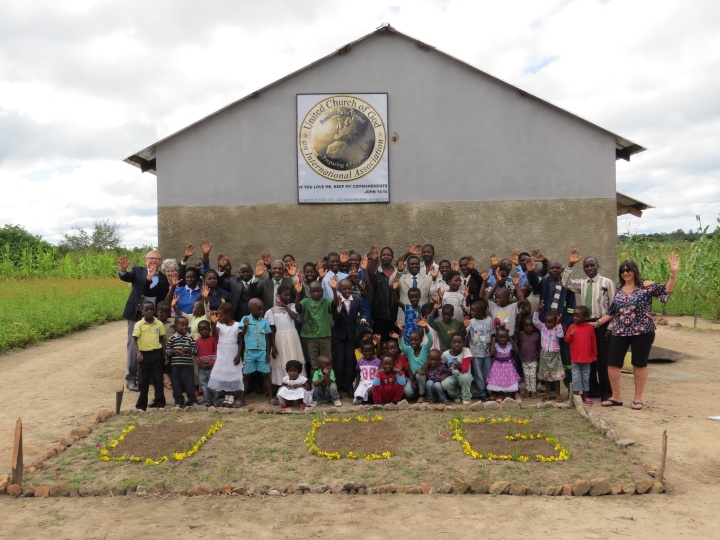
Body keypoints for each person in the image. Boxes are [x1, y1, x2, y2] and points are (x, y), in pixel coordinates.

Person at [592, 255, 679, 410]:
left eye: (628, 270)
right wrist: (597, 323)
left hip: (643, 331)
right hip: (620, 331)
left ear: (635, 271)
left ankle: (637, 399)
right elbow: (612, 311)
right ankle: (616, 397)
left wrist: (673, 273)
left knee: (639, 364)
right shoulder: (618, 289)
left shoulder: (645, 285)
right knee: (612, 363)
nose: (625, 273)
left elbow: (666, 290)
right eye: (622, 271)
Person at [561, 248, 616, 400]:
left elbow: (614, 307)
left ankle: (606, 392)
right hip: (586, 326)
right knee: (588, 360)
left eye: (592, 265)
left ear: (598, 266)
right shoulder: (583, 283)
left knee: (603, 360)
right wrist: (570, 265)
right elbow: (565, 283)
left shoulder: (607, 283)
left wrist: (610, 327)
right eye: (586, 266)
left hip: (603, 324)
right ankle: (592, 390)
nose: (589, 268)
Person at [118, 251, 169, 391]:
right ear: (146, 260)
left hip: (153, 317)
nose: (153, 261)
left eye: (156, 259)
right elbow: (125, 277)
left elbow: (162, 298)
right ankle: (130, 378)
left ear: (160, 261)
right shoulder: (138, 271)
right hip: (137, 314)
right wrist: (123, 270)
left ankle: (146, 377)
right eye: (151, 258)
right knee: (134, 345)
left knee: (151, 345)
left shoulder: (163, 278)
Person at [526, 256, 576, 387]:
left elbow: (571, 308)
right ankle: (549, 388)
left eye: (557, 268)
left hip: (561, 328)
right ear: (548, 269)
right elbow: (533, 282)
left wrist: (565, 325)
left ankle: (569, 386)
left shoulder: (568, 285)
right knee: (546, 357)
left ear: (562, 270)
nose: (554, 270)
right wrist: (531, 272)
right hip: (546, 329)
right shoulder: (544, 282)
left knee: (564, 357)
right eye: (552, 268)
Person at [330, 277, 369, 396]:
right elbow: (336, 318)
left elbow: (364, 312)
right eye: (344, 289)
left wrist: (363, 319)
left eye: (349, 288)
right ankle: (338, 386)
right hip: (339, 336)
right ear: (339, 289)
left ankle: (349, 386)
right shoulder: (336, 300)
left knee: (349, 361)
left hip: (351, 335)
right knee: (339, 361)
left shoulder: (356, 299)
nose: (347, 291)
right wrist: (339, 306)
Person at [266, 284, 304, 396]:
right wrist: (273, 346)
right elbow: (271, 331)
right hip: (279, 339)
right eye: (285, 295)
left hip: (292, 337)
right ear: (278, 295)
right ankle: (281, 385)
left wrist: (284, 305)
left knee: (293, 358)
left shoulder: (292, 306)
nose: (288, 297)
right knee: (281, 361)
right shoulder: (271, 311)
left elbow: (295, 317)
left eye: (289, 295)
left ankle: (297, 385)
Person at [208, 303, 245, 408]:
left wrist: (238, 355)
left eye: (221, 315)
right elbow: (214, 333)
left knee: (231, 374)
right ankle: (226, 398)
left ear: (228, 314)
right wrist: (213, 323)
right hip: (222, 353)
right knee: (223, 374)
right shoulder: (219, 325)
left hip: (232, 352)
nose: (219, 317)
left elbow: (240, 341)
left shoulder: (237, 325)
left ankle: (231, 397)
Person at [132, 301, 167, 410]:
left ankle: (159, 402)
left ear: (155, 311)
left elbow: (162, 339)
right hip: (143, 356)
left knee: (158, 380)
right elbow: (134, 339)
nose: (149, 312)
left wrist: (164, 353)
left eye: (151, 309)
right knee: (143, 381)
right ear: (142, 312)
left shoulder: (159, 324)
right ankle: (141, 405)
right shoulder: (139, 324)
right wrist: (138, 352)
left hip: (156, 355)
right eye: (146, 310)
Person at [240, 298, 274, 405]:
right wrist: (245, 326)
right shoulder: (245, 319)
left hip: (262, 352)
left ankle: (271, 398)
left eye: (262, 309)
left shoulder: (264, 321)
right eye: (259, 309)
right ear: (251, 310)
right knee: (246, 376)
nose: (261, 311)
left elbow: (267, 337)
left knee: (266, 374)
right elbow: (242, 334)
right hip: (249, 352)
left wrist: (268, 352)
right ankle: (242, 399)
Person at [295, 280, 333, 373]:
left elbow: (334, 305)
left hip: (325, 336)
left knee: (327, 361)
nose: (316, 293)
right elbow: (298, 309)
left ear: (322, 290)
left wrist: (334, 290)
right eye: (313, 291)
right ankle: (315, 385)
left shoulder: (326, 300)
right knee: (314, 363)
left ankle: (329, 384)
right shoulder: (306, 301)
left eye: (318, 290)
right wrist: (298, 293)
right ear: (310, 291)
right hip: (311, 337)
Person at [391, 324, 433, 402]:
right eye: (411, 340)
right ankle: (416, 394)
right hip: (412, 377)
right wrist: (400, 332)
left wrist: (426, 328)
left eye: (416, 340)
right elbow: (402, 346)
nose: (413, 342)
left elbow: (430, 340)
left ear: (421, 340)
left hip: (423, 377)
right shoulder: (409, 350)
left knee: (420, 376)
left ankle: (421, 395)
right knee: (407, 392)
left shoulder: (425, 348)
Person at [564, 305, 597, 404]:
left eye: (578, 316)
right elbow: (566, 340)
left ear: (585, 317)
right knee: (575, 378)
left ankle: (586, 396)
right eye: (574, 315)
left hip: (587, 359)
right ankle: (576, 396)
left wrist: (594, 355)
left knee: (586, 378)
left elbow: (593, 343)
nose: (575, 318)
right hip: (575, 359)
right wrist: (571, 334)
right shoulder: (572, 327)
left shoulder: (589, 328)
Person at [533, 303, 565, 402]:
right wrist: (537, 310)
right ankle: (547, 394)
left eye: (551, 322)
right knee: (546, 377)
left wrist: (559, 324)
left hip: (555, 355)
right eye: (547, 322)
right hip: (544, 355)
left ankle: (558, 394)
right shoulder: (542, 327)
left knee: (556, 376)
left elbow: (561, 335)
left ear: (556, 321)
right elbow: (535, 321)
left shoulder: (557, 329)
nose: (548, 324)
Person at [165, 315, 199, 409]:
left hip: (187, 365)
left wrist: (187, 350)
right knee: (176, 385)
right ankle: (179, 402)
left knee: (189, 385)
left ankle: (192, 401)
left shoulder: (190, 338)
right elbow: (167, 351)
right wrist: (175, 351)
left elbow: (195, 350)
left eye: (186, 325)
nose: (184, 327)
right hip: (176, 366)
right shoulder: (172, 338)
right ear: (176, 327)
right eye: (182, 325)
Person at [368, 246, 400, 342]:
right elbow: (371, 277)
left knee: (393, 344)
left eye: (389, 255)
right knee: (379, 343)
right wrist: (373, 261)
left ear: (392, 257)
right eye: (384, 255)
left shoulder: (397, 274)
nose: (386, 257)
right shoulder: (376, 273)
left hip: (394, 316)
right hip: (378, 316)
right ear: (380, 257)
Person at [466, 299, 494, 401]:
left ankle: (488, 391)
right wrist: (464, 325)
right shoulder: (471, 322)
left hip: (487, 353)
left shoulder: (489, 320)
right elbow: (464, 333)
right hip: (475, 353)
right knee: (478, 374)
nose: (471, 313)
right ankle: (481, 393)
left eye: (474, 311)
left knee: (488, 372)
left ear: (481, 312)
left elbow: (492, 334)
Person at [486, 328, 522, 402]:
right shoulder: (496, 345)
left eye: (504, 337)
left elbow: (517, 351)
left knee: (510, 379)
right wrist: (493, 342)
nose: (502, 339)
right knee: (498, 379)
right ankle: (500, 394)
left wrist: (512, 341)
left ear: (507, 337)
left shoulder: (509, 345)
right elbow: (492, 353)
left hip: (508, 366)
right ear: (497, 337)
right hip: (497, 366)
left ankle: (514, 393)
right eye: (500, 337)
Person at [396, 255, 432, 323]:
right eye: (412, 264)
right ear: (407, 266)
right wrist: (399, 271)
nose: (414, 266)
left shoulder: (428, 279)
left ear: (419, 265)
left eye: (416, 264)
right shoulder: (401, 277)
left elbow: (431, 298)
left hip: (422, 318)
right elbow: (390, 283)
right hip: (405, 318)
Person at [217, 257, 253, 321]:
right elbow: (221, 283)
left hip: (254, 317)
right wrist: (222, 269)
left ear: (252, 271)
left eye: (247, 272)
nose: (245, 274)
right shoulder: (233, 281)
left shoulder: (257, 282)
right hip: (237, 317)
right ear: (239, 273)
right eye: (243, 272)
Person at [441, 334, 473, 404]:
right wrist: (446, 374)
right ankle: (457, 395)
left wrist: (460, 367)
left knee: (465, 377)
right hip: (453, 377)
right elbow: (442, 367)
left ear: (464, 343)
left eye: (459, 342)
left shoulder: (466, 351)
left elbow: (465, 370)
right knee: (445, 384)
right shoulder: (445, 354)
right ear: (451, 343)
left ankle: (466, 398)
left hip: (465, 376)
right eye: (454, 342)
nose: (457, 344)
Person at [195, 320, 219, 406]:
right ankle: (206, 401)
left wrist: (212, 362)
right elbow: (195, 354)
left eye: (206, 329)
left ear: (209, 330)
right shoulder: (197, 342)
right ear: (198, 331)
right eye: (202, 329)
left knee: (213, 384)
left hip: (212, 367)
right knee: (204, 385)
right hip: (202, 367)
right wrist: (200, 363)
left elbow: (216, 351)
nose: (204, 331)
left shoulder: (213, 339)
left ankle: (215, 400)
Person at [517, 317, 541, 398]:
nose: (528, 327)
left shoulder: (536, 335)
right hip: (524, 359)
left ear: (534, 327)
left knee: (533, 375)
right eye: (526, 325)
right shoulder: (521, 334)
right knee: (526, 375)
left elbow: (539, 347)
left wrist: (538, 356)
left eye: (530, 325)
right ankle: (527, 390)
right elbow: (519, 345)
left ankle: (533, 391)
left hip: (533, 359)